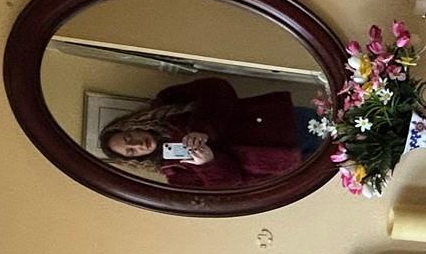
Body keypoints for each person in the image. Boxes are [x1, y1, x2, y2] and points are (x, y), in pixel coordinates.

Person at [96, 76, 303, 188]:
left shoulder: (166, 102)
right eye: (131, 151)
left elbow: (218, 88)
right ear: (136, 159)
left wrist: (202, 128)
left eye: (129, 138)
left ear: (130, 126)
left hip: (279, 120)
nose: (137, 144)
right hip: (281, 159)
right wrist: (208, 163)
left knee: (334, 118)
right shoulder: (175, 173)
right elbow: (229, 184)